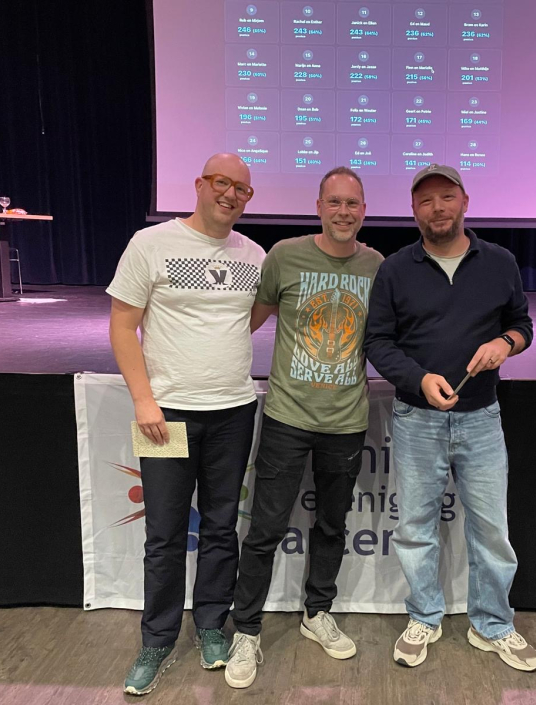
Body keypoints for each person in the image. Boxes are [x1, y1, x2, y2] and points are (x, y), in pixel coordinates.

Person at [364, 164, 536, 673]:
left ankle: (494, 625)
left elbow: (522, 324)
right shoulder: (395, 269)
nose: (437, 208)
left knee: (491, 532)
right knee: (415, 528)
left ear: (465, 201)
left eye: (446, 197)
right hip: (416, 418)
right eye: (426, 201)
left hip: (481, 418)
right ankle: (424, 616)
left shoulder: (499, 262)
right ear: (413, 211)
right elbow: (378, 341)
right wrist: (418, 378)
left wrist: (506, 342)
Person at [107, 153, 265, 696]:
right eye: (222, 183)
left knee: (221, 527)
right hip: (165, 415)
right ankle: (156, 639)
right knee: (165, 533)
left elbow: (247, 319)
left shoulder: (254, 255)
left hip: (234, 412)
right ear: (199, 184)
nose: (231, 194)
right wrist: (144, 400)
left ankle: (212, 626)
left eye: (242, 189)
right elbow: (122, 326)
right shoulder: (150, 244)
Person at [224, 167, 384, 690]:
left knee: (332, 526)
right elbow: (248, 320)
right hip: (287, 419)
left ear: (364, 210)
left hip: (346, 422)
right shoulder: (285, 256)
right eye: (334, 202)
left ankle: (318, 613)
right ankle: (246, 631)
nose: (343, 212)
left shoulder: (376, 267)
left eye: (352, 203)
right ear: (318, 207)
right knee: (265, 530)